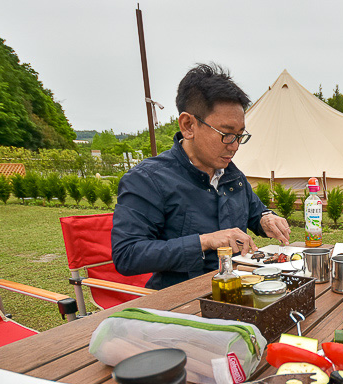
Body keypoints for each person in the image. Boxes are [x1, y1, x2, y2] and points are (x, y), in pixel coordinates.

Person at [112, 63, 291, 290]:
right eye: (226, 134)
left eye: (240, 135)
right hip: (181, 302)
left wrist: (266, 218)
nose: (235, 146)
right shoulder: (148, 179)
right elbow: (127, 255)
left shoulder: (232, 176)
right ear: (188, 125)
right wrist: (205, 241)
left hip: (237, 289)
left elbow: (256, 213)